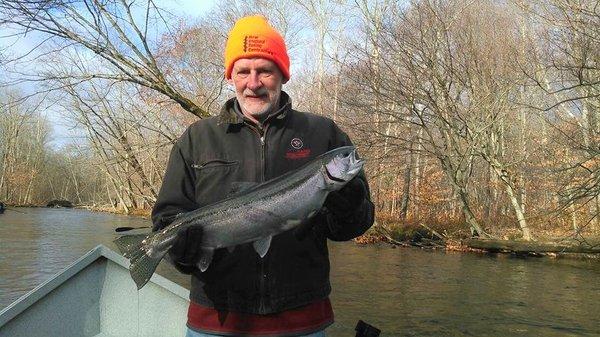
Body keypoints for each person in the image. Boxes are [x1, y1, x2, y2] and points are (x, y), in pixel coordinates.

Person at [152, 15, 375, 337]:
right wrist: (180, 251)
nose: (253, 83)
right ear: (231, 78)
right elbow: (167, 216)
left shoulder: (323, 133)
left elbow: (353, 226)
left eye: (265, 71)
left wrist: (349, 201)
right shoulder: (197, 138)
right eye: (243, 71)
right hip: (215, 319)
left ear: (282, 75)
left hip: (303, 319)